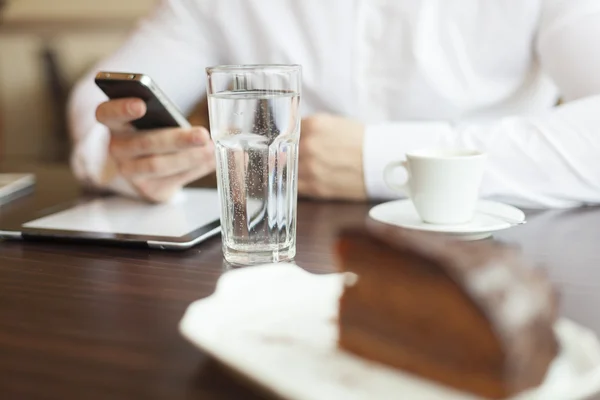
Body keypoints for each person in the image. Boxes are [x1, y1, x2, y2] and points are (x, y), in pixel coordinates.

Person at [69, 0, 600, 208]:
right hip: (279, 267)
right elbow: (102, 95)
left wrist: (379, 158)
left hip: (502, 250)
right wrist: (125, 153)